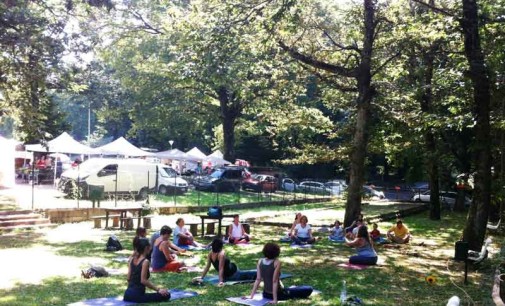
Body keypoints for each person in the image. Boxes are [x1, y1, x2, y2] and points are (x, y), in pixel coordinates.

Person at [246, 243, 313, 304]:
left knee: (292, 289)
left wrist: (251, 296)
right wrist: (275, 300)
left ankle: (291, 289)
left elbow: (258, 279)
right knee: (308, 288)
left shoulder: (260, 261)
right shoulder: (277, 262)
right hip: (279, 294)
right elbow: (274, 281)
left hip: (265, 294)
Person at [123, 238, 171, 303]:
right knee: (167, 295)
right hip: (137, 296)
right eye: (149, 247)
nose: (151, 248)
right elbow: (143, 281)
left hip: (127, 295)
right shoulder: (145, 261)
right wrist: (158, 289)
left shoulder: (131, 259)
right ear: (146, 248)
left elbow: (128, 278)